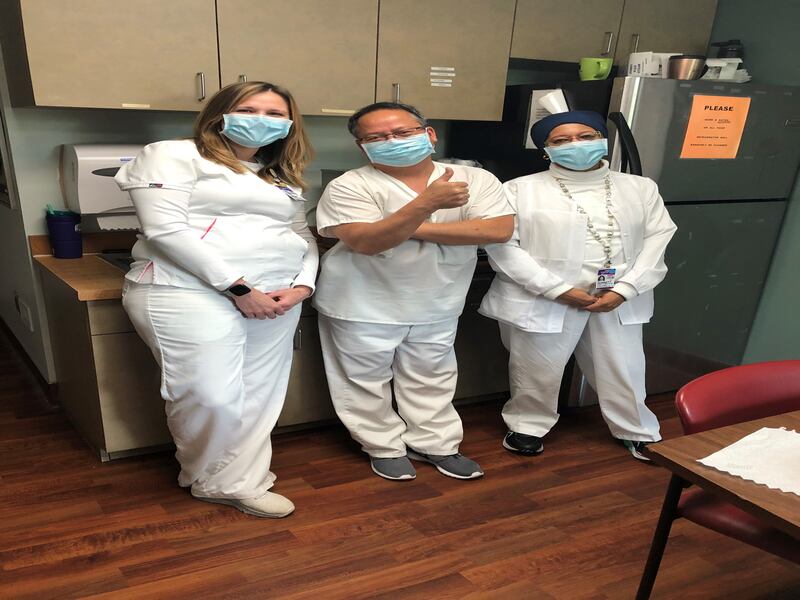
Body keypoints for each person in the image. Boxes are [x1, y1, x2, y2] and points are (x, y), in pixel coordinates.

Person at [115, 81, 318, 517]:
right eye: (248, 109)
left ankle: (239, 482)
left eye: (274, 113)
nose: (261, 120)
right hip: (186, 290)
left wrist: (303, 286)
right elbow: (165, 230)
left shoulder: (277, 175)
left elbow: (302, 235)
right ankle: (205, 477)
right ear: (219, 114)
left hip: (277, 297)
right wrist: (239, 288)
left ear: (290, 124)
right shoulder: (172, 154)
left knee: (258, 394)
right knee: (210, 396)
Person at [313, 102, 514, 481]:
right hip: (362, 303)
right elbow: (366, 242)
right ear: (362, 147)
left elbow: (497, 230)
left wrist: (402, 227)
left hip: (438, 299)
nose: (392, 141)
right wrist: (427, 205)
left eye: (403, 132)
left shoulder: (475, 179)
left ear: (429, 134)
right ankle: (382, 446)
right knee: (364, 381)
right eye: (377, 137)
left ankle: (436, 444)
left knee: (432, 377)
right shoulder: (349, 185)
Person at [480, 110, 677, 461]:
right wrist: (556, 289)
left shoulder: (640, 188)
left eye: (586, 136)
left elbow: (658, 238)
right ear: (546, 150)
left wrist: (625, 289)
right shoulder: (518, 190)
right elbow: (503, 246)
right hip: (544, 297)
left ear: (603, 139)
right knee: (535, 367)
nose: (575, 144)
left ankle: (637, 430)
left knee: (624, 367)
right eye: (561, 140)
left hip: (617, 297)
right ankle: (527, 426)